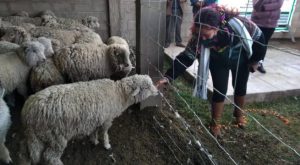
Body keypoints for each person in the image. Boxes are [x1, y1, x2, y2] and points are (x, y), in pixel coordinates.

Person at [157, 5, 266, 137]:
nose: (202, 39)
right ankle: (215, 123)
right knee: (220, 90)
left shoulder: (242, 25)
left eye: (205, 35)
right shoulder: (198, 37)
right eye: (199, 34)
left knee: (240, 87)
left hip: (241, 60)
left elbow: (260, 40)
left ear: (216, 28)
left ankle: (238, 114)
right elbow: (186, 58)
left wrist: (255, 60)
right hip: (218, 62)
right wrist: (169, 76)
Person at [251, 0, 284, 73]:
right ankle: (250, 61)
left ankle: (259, 63)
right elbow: (256, 6)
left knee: (264, 44)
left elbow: (279, 4)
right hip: (257, 22)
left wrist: (264, 7)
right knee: (254, 42)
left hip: (271, 23)